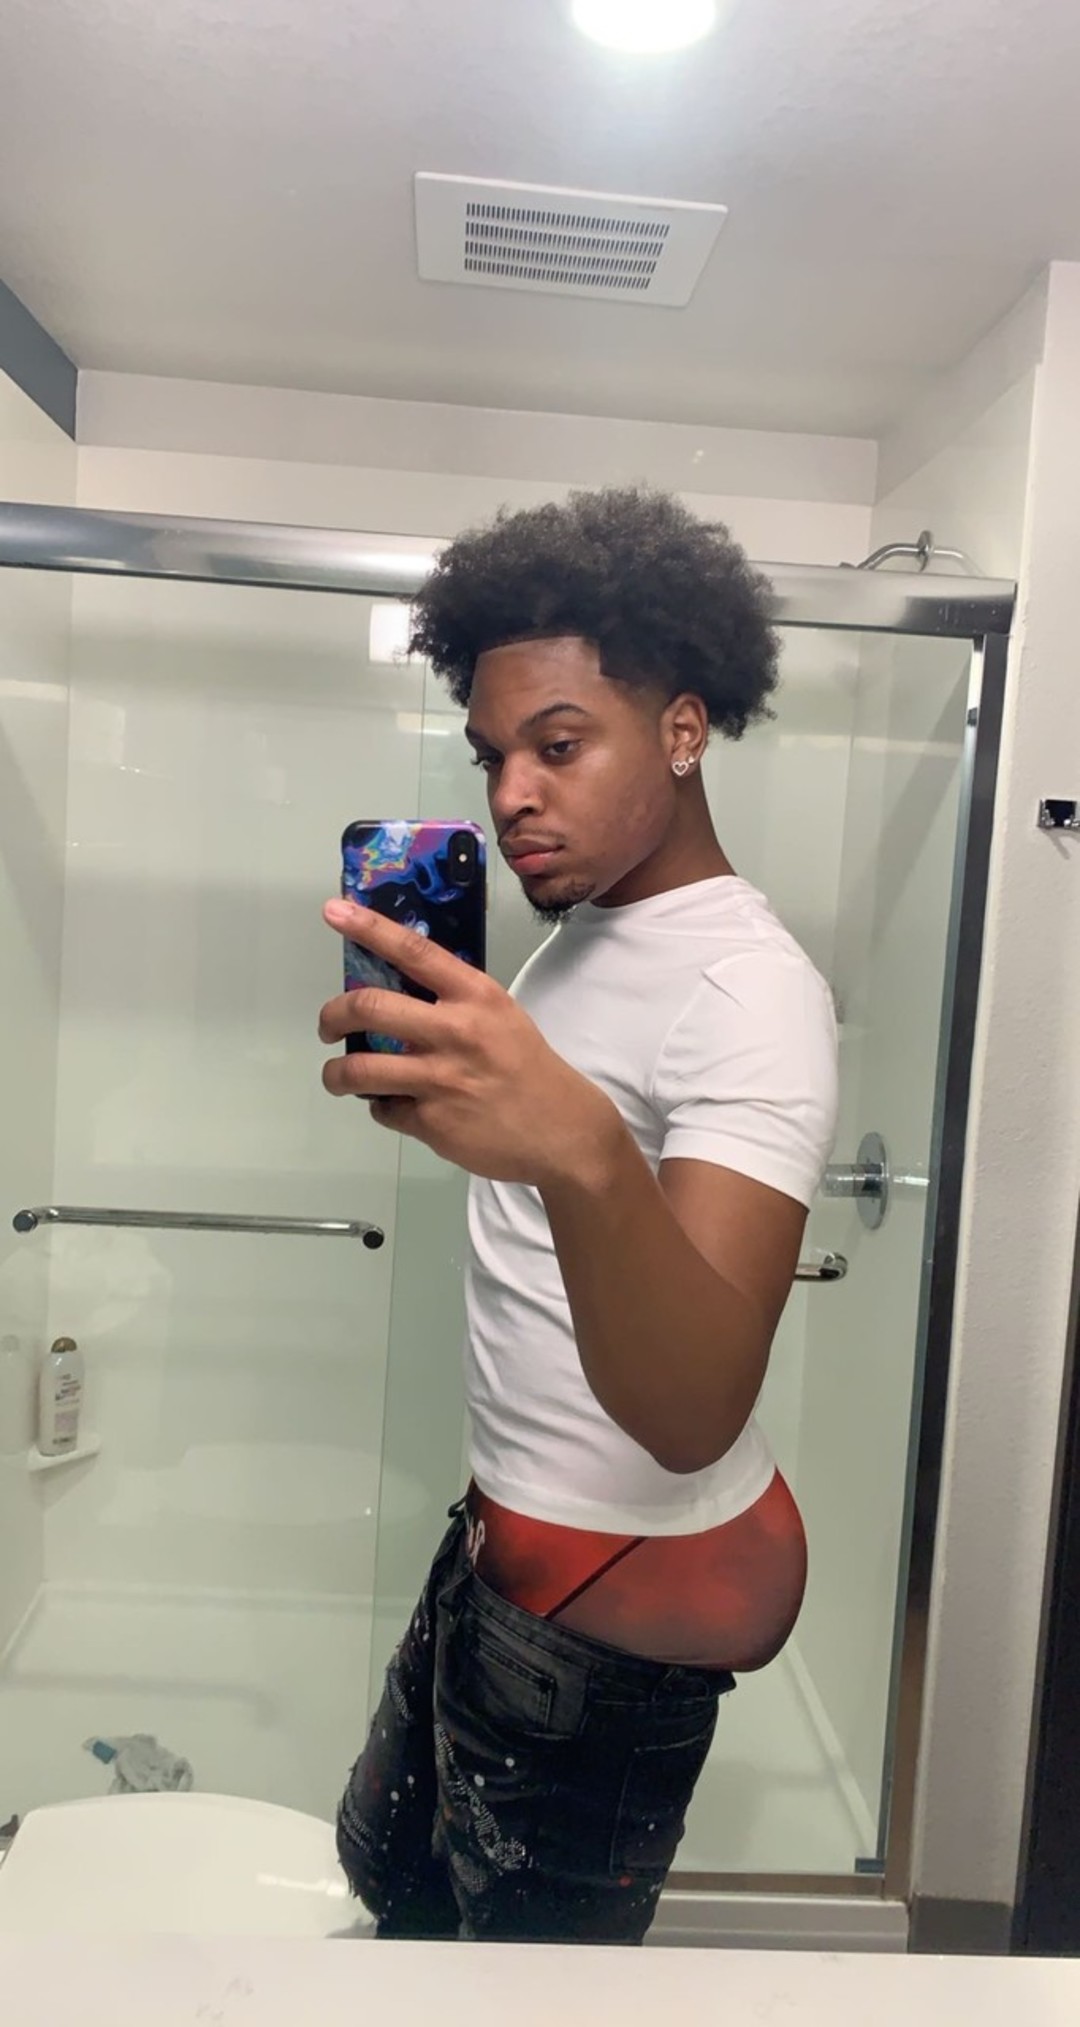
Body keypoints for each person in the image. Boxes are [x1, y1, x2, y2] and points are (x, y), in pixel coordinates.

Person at [318, 486, 839, 1944]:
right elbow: (564, 1224)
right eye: (493, 755)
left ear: (683, 729)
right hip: (509, 1545)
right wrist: (497, 1130)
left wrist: (579, 1154)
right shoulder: (584, 934)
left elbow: (691, 1410)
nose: (511, 797)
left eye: (558, 746)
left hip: (617, 1600)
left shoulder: (749, 989)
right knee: (391, 1887)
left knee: (522, 1992)